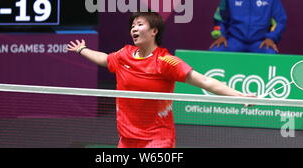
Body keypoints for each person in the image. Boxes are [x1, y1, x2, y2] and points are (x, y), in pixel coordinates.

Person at [67, 11, 254, 148]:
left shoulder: (166, 62)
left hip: (157, 138)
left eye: (140, 24)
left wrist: (238, 95)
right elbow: (104, 59)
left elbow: (205, 81)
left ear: (154, 31)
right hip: (127, 137)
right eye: (132, 26)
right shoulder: (124, 54)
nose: (134, 28)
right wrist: (83, 50)